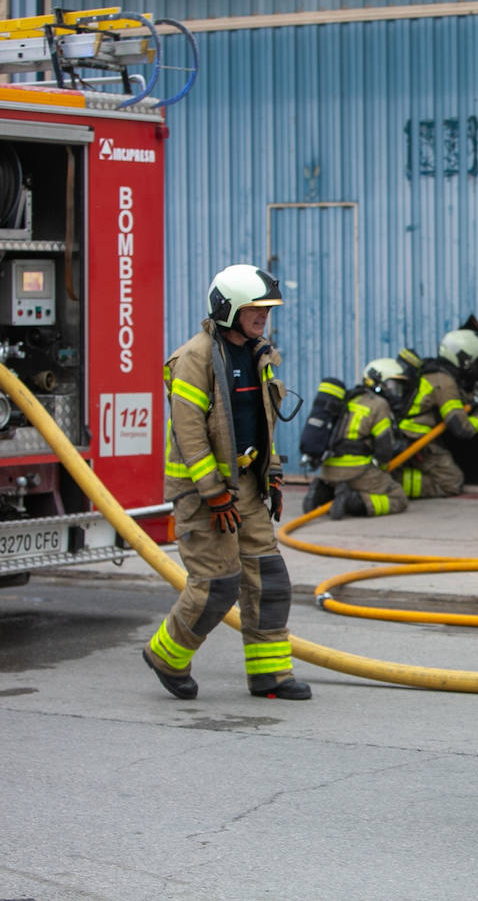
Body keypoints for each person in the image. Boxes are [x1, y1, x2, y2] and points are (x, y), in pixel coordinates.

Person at [141, 264, 312, 701]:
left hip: (247, 488)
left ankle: (269, 675)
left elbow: (263, 420)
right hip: (203, 495)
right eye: (256, 310)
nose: (264, 319)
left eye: (267, 311)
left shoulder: (259, 353)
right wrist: (213, 493)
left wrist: (272, 473)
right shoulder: (195, 359)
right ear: (228, 310)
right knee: (218, 585)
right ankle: (167, 654)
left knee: (268, 579)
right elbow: (190, 433)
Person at [393, 328, 478, 498]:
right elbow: (462, 428)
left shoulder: (434, 372)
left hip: (406, 436)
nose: (474, 366)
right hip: (417, 442)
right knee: (451, 483)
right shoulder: (445, 383)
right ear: (464, 360)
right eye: (473, 360)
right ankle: (391, 483)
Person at [303, 357, 410, 520]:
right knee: (398, 498)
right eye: (392, 385)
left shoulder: (347, 398)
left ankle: (323, 491)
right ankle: (353, 501)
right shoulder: (379, 404)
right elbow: (384, 452)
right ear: (378, 382)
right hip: (356, 472)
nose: (395, 392)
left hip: (327, 471)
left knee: (352, 482)